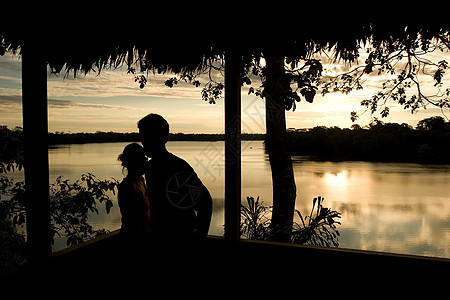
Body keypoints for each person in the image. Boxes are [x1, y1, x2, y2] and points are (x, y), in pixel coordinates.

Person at [138, 113, 212, 241]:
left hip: (180, 237)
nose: (144, 141)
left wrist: (200, 237)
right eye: (142, 136)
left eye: (149, 136)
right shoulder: (149, 167)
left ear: (164, 137)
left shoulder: (177, 167)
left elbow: (205, 202)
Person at [117, 143, 151, 242]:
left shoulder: (141, 181)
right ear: (136, 162)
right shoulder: (127, 186)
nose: (146, 161)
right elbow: (131, 220)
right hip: (133, 239)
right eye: (143, 159)